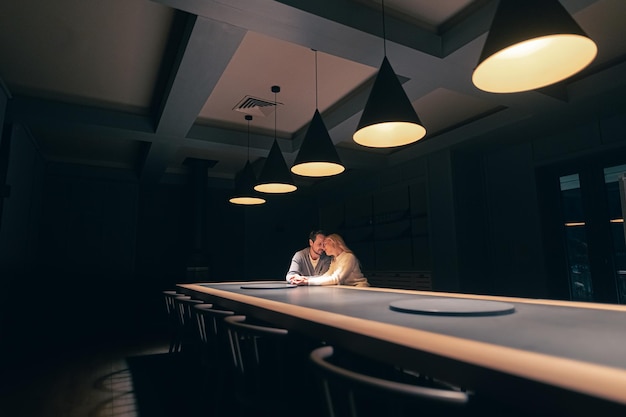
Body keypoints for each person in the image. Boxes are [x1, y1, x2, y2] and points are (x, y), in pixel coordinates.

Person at [289, 233, 369, 287]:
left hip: (359, 288)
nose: (323, 248)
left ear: (334, 243)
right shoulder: (334, 259)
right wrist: (307, 279)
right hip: (348, 289)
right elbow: (327, 275)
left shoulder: (348, 257)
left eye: (325, 244)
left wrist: (308, 282)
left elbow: (336, 279)